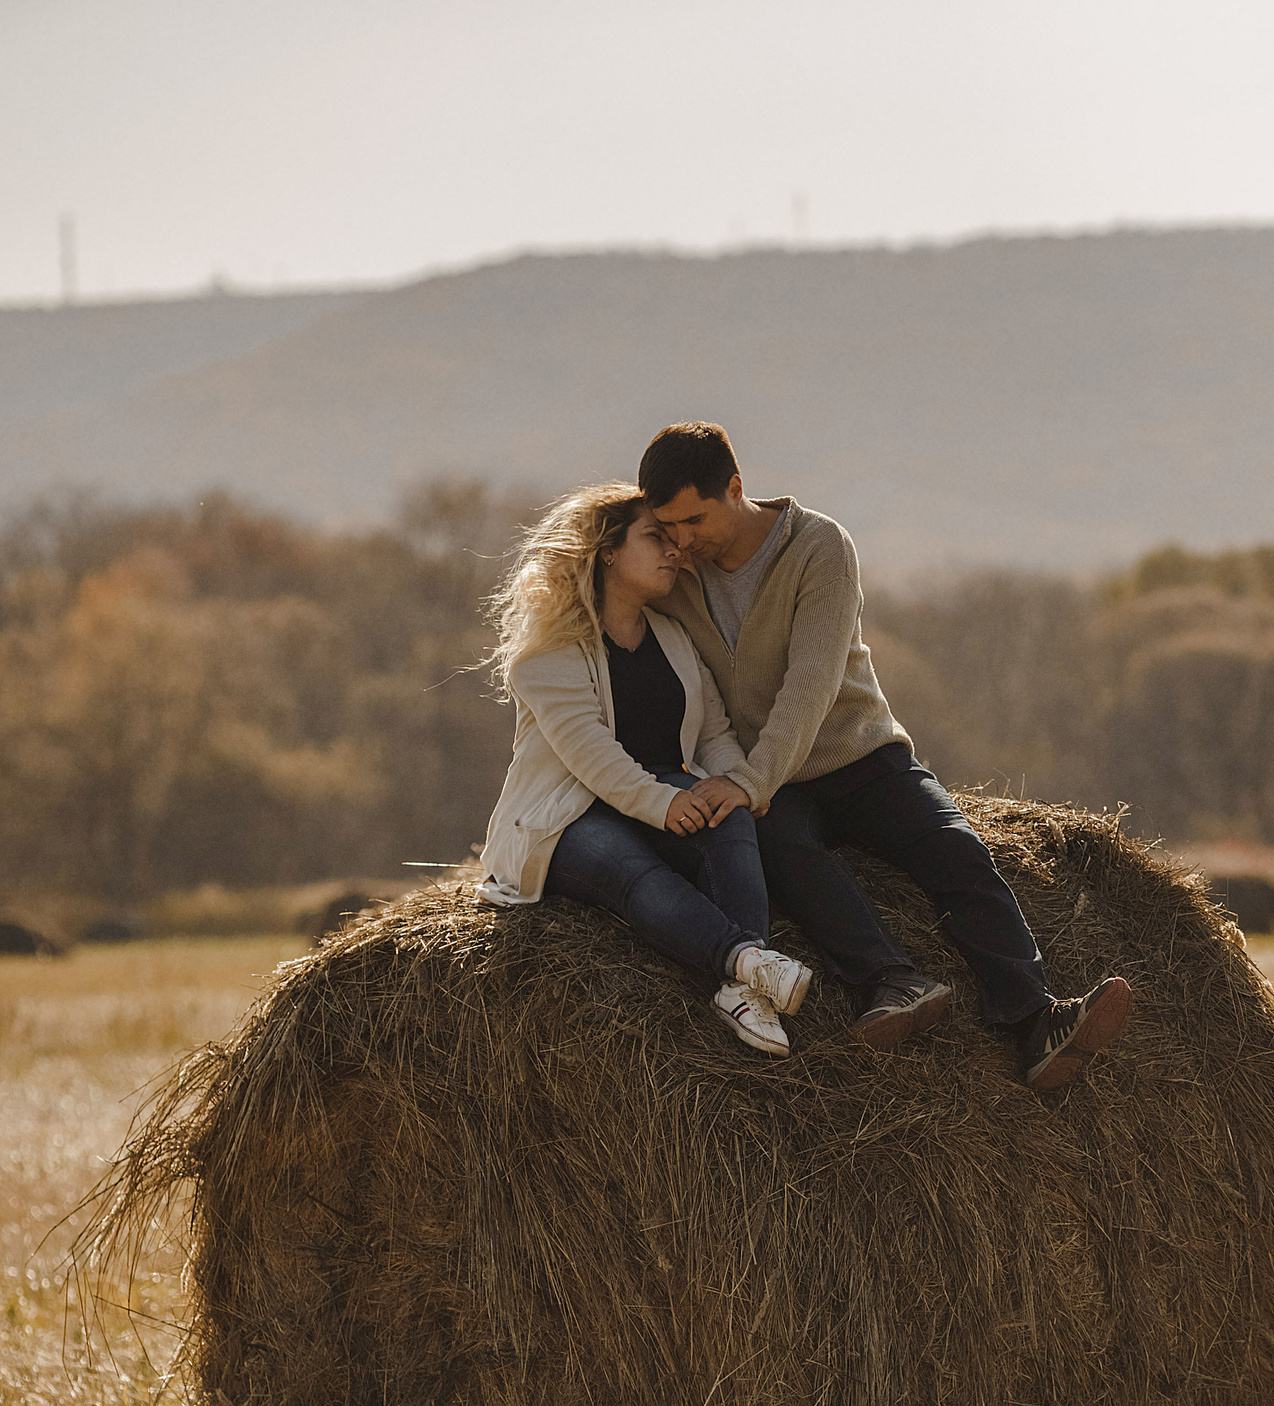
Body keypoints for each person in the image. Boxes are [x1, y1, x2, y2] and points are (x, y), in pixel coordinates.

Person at [636, 422, 1133, 1091]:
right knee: (787, 857)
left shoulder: (819, 546)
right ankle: (894, 980)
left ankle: (1035, 1018)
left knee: (955, 850)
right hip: (778, 783)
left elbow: (809, 685)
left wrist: (748, 780)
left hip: (860, 755)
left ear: (736, 487)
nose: (684, 539)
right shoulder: (678, 573)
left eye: (694, 519)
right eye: (669, 527)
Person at [476, 482, 813, 1057]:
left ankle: (743, 995)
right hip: (564, 812)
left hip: (654, 795)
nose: (674, 551)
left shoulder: (673, 638)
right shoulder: (550, 652)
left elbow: (713, 734)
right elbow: (590, 754)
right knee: (626, 867)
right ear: (608, 551)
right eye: (654, 538)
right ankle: (747, 960)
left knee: (728, 814)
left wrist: (738, 783)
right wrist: (663, 803)